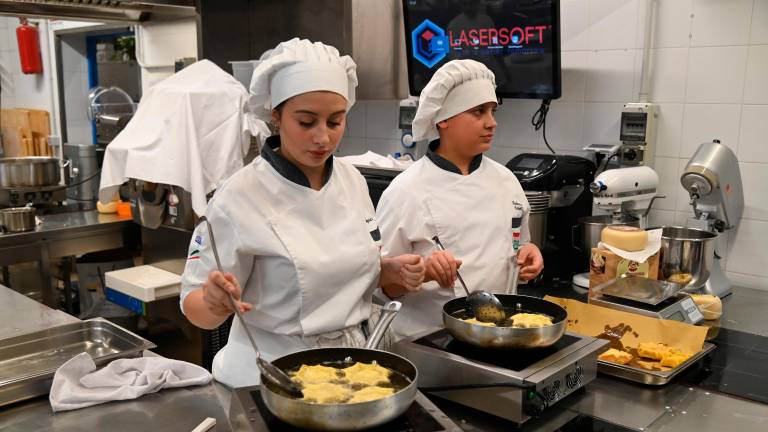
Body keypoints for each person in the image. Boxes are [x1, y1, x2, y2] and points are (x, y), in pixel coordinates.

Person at [180, 38, 425, 387]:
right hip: (269, 378)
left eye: (335, 121)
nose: (322, 138)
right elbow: (194, 307)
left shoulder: (352, 180)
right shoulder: (239, 196)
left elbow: (345, 273)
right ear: (276, 115)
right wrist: (214, 302)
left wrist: (385, 270)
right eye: (307, 122)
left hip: (349, 373)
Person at [375, 59, 544, 340]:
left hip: (500, 336)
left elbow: (518, 242)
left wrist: (528, 254)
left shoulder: (506, 181)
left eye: (492, 111)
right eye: (478, 112)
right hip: (429, 343)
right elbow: (383, 289)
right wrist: (425, 272)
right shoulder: (405, 192)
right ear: (443, 119)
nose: (492, 122)